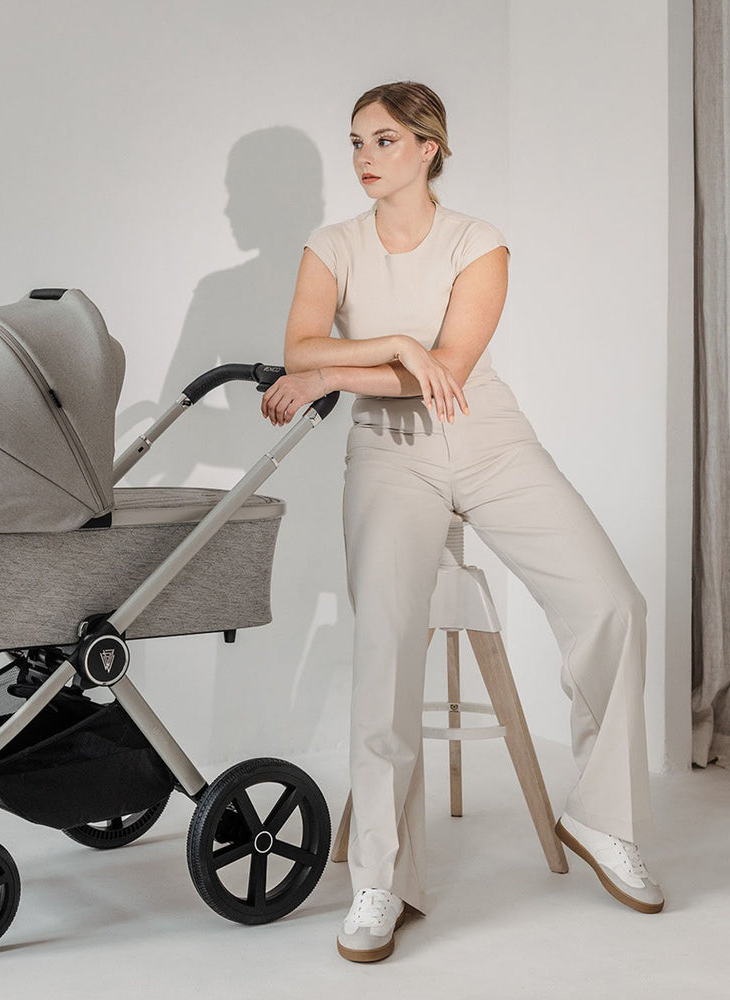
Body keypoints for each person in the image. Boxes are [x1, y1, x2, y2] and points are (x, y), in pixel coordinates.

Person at [259, 81, 664, 964]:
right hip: (387, 455)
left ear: (429, 148)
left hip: (485, 438)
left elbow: (444, 369)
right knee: (386, 645)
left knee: (612, 603)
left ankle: (603, 818)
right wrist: (392, 347)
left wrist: (339, 369)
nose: (365, 156)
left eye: (385, 140)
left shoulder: (478, 243)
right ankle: (383, 878)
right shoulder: (331, 247)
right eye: (357, 141)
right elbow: (296, 350)